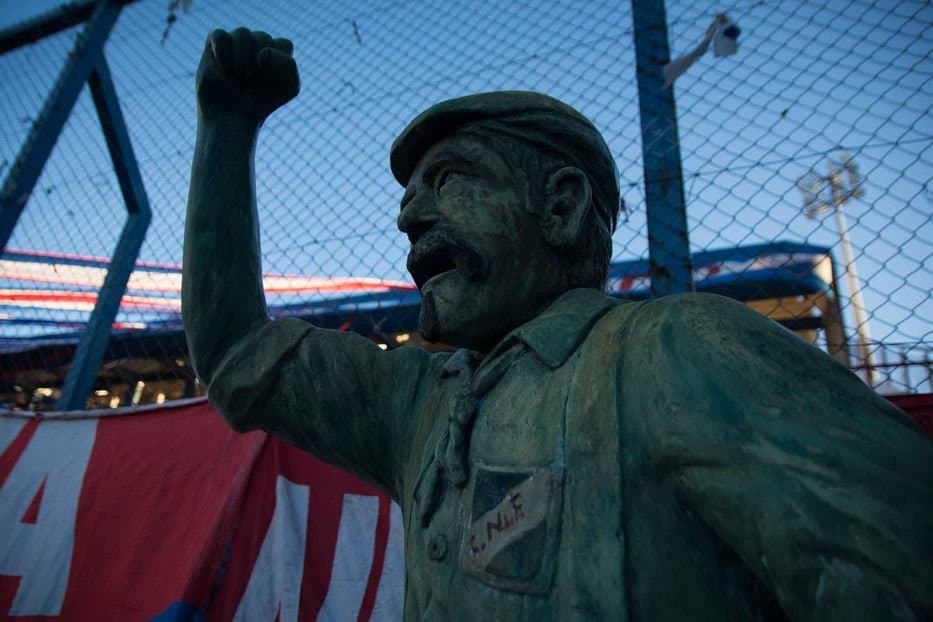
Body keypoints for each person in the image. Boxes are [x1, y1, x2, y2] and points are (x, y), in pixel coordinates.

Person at [183, 28, 933, 621]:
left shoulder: (675, 352)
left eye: (450, 180)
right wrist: (226, 129)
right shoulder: (416, 406)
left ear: (562, 206)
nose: (409, 216)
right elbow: (236, 350)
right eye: (411, 195)